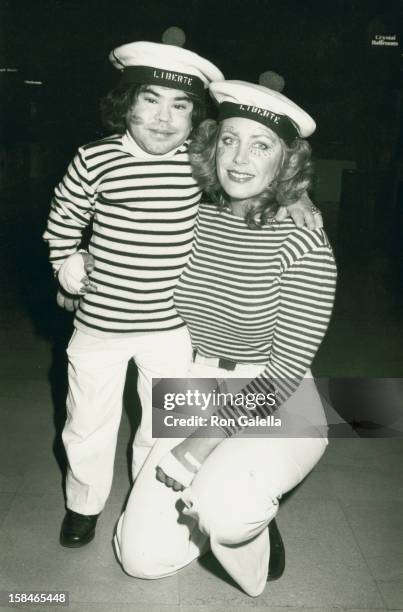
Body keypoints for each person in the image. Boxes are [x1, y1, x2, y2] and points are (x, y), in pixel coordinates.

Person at [43, 41, 323, 549]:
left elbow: (258, 167)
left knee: (158, 429)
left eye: (181, 106)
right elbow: (63, 219)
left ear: (196, 119)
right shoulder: (97, 159)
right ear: (124, 103)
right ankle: (83, 504)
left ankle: (158, 500)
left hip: (169, 331)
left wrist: (299, 193)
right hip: (102, 325)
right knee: (86, 422)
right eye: (150, 100)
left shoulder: (195, 168)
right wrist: (67, 264)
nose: (164, 119)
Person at [114, 80, 337, 597]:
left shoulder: (303, 239)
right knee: (140, 559)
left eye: (261, 145)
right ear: (212, 144)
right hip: (195, 381)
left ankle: (241, 514)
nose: (239, 159)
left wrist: (198, 448)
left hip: (278, 395)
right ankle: (225, 494)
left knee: (226, 510)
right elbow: (128, 194)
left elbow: (283, 375)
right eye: (230, 139)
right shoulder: (194, 213)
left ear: (284, 162)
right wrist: (78, 266)